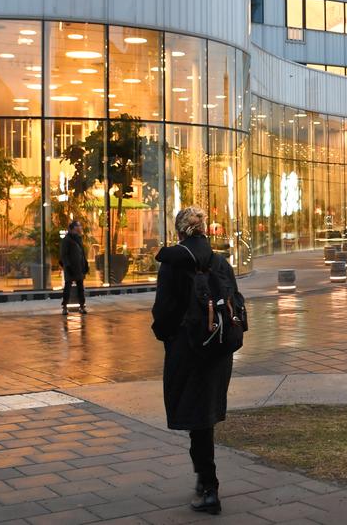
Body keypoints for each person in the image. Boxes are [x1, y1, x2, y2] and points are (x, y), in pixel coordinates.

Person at [151, 207, 235, 515]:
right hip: (218, 349)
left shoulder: (172, 264)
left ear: (180, 231)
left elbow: (163, 313)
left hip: (187, 350)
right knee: (204, 415)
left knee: (195, 416)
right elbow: (235, 304)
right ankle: (205, 481)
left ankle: (208, 486)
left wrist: (168, 337)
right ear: (203, 230)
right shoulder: (220, 262)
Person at [59, 221, 87, 315]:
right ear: (73, 228)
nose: (80, 227)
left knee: (80, 288)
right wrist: (67, 266)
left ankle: (82, 306)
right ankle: (64, 307)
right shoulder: (66, 240)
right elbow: (64, 255)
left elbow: (82, 253)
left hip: (79, 267)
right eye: (78, 226)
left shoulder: (78, 238)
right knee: (67, 287)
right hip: (70, 268)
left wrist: (85, 264)